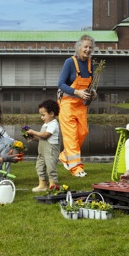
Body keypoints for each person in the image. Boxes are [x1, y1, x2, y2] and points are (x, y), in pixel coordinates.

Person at [57, 34, 97, 177]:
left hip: (81, 105)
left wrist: (93, 92)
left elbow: (91, 83)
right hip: (67, 104)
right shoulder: (69, 62)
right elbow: (60, 84)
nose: (88, 50)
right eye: (85, 46)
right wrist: (76, 92)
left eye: (90, 47)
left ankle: (64, 156)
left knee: (83, 132)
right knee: (72, 137)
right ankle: (76, 168)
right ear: (78, 47)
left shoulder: (90, 63)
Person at [26, 99, 61, 192]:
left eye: (43, 115)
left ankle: (53, 185)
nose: (41, 117)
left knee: (50, 168)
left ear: (52, 113)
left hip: (51, 151)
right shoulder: (46, 124)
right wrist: (34, 138)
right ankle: (42, 185)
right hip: (42, 152)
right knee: (39, 166)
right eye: (41, 115)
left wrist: (33, 131)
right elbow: (43, 138)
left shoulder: (53, 124)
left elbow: (46, 135)